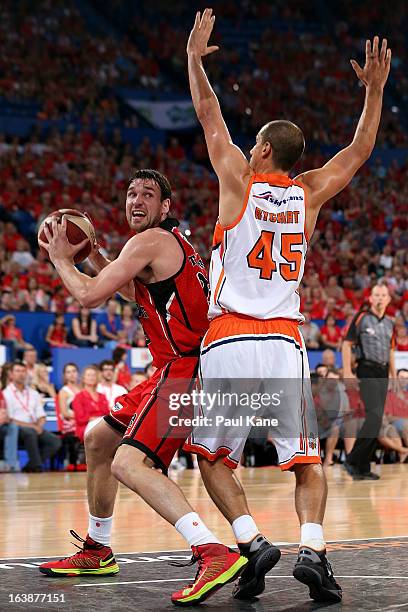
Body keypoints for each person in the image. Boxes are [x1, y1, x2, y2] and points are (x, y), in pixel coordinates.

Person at [185, 10, 391, 604]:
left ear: (265, 147)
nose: (246, 148)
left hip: (228, 336)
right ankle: (312, 549)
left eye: (254, 143)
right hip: (282, 339)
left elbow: (207, 115)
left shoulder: (236, 179)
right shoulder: (310, 193)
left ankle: (251, 542)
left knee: (211, 455)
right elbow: (359, 150)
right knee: (304, 457)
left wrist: (197, 62)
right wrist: (375, 91)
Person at [38, 168, 247, 605]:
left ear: (165, 207)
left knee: (130, 465)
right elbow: (137, 292)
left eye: (148, 195)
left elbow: (90, 296)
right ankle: (98, 549)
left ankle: (211, 551)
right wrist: (96, 256)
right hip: (177, 368)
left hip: (187, 370)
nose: (136, 200)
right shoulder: (167, 245)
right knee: (98, 441)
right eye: (131, 193)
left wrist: (62, 259)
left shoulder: (149, 241)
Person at [342, 284, 396, 479]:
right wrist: (348, 371)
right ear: (371, 298)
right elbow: (347, 345)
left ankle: (361, 468)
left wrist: (394, 375)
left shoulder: (391, 322)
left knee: (376, 419)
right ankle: (351, 460)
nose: (380, 298)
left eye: (384, 295)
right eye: (376, 295)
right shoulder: (361, 317)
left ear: (389, 299)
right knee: (374, 417)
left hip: (383, 371)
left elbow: (391, 351)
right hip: (367, 369)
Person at [3, 361, 61, 472]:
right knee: (30, 432)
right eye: (17, 371)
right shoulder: (6, 393)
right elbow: (8, 419)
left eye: (23, 371)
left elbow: (41, 415)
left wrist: (39, 426)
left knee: (55, 441)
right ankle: (37, 466)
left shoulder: (33, 393)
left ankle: (31, 465)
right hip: (15, 428)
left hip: (35, 427)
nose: (21, 374)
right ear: (11, 374)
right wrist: (32, 427)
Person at [72, 366, 110, 443]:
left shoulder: (102, 396)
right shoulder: (79, 397)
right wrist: (96, 419)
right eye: (89, 375)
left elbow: (107, 413)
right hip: (86, 427)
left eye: (93, 375)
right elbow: (80, 418)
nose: (91, 377)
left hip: (102, 426)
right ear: (83, 378)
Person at [57, 363, 81, 469]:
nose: (71, 374)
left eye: (74, 371)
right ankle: (75, 462)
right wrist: (81, 417)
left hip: (83, 422)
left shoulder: (82, 389)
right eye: (68, 372)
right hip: (71, 424)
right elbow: (64, 413)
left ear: (78, 373)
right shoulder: (63, 392)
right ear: (65, 375)